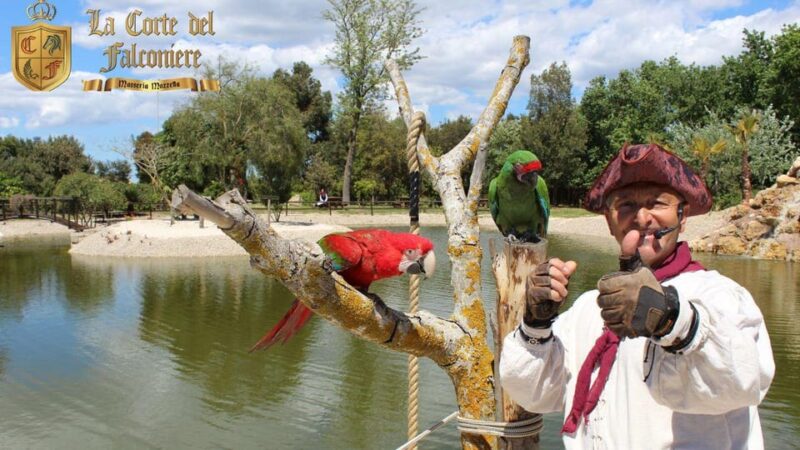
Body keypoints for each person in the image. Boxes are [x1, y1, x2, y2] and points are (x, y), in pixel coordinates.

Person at [499, 143, 775, 449]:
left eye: (657, 203)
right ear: (609, 222)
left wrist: (671, 318)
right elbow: (533, 393)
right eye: (626, 206)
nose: (642, 217)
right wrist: (536, 323)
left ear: (682, 217)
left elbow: (746, 381)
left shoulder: (718, 295)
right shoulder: (587, 309)